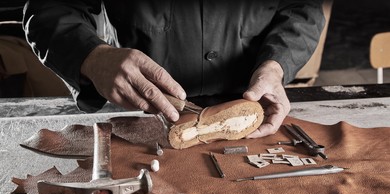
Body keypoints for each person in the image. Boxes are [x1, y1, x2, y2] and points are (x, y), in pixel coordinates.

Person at [23, 0, 325, 138]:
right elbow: (47, 9)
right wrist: (93, 57)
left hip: (249, 115)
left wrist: (276, 65)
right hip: (138, 113)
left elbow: (302, 9)